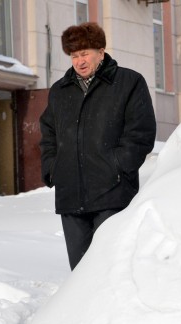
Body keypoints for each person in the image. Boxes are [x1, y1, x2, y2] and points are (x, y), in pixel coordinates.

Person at [40, 22, 156, 270]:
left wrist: (118, 165)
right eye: (74, 56)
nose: (79, 61)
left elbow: (141, 132)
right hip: (71, 197)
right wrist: (53, 168)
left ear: (101, 52)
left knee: (111, 270)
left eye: (85, 54)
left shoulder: (128, 82)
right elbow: (48, 132)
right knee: (81, 274)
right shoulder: (60, 91)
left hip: (112, 194)